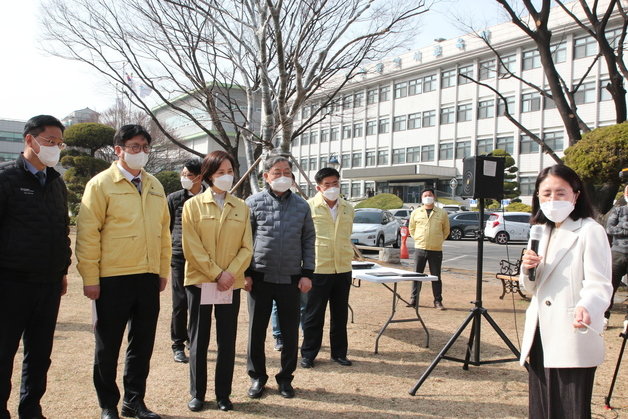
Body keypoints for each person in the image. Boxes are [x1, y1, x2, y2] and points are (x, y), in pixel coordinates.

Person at [76, 124, 171, 419]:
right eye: (133, 146)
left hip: (147, 276)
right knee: (108, 347)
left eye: (144, 147)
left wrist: (162, 270)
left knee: (142, 344)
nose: (140, 152)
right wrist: (91, 279)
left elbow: (164, 232)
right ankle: (108, 405)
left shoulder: (155, 185)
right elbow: (88, 234)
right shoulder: (101, 184)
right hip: (112, 278)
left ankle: (134, 400)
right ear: (118, 150)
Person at [520, 164, 612, 419]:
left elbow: (600, 282)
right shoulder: (540, 231)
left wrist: (588, 306)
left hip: (572, 331)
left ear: (576, 194)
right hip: (540, 333)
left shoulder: (589, 230)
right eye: (546, 193)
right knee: (541, 408)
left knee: (568, 409)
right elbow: (529, 288)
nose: (552, 199)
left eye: (560, 193)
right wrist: (528, 270)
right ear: (537, 196)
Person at [0, 115, 72, 419]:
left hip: (49, 282)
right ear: (29, 140)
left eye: (59, 142)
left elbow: (61, 230)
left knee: (40, 354)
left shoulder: (56, 183)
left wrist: (63, 269)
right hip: (11, 282)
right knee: (4, 352)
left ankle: (31, 408)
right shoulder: (6, 179)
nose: (55, 147)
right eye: (49, 141)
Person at [181, 151, 252, 413]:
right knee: (199, 340)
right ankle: (197, 393)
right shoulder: (193, 205)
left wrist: (230, 273)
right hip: (201, 281)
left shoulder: (242, 207)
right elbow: (191, 246)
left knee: (227, 339)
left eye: (230, 171)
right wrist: (216, 273)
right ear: (209, 175)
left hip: (230, 284)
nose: (226, 176)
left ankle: (224, 394)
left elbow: (247, 247)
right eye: (220, 172)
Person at [245, 155, 314, 400]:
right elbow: (244, 241)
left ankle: (285, 378)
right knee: (256, 331)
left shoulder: (302, 206)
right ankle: (257, 378)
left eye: (286, 171)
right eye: (276, 172)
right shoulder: (252, 203)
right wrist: (246, 273)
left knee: (290, 332)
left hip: (291, 279)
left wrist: (307, 273)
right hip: (259, 277)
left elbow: (308, 241)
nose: (282, 176)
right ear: (266, 176)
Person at [300, 168, 355, 369]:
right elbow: (303, 239)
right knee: (314, 314)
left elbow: (347, 234)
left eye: (336, 183)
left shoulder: (348, 208)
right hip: (318, 268)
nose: (332, 188)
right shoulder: (308, 207)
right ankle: (308, 353)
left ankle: (339, 353)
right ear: (318, 187)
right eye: (327, 185)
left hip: (342, 268)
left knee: (340, 315)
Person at [167, 158, 204, 364]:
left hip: (203, 259)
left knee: (198, 303)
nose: (185, 178)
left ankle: (194, 339)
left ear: (200, 177)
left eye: (188, 175)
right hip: (179, 257)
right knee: (180, 302)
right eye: (183, 174)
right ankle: (178, 343)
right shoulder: (174, 198)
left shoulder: (210, 197)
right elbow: (167, 227)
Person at [407, 188, 450, 309]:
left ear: (434, 197)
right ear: (421, 198)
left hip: (435, 249)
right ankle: (413, 299)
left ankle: (437, 301)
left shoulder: (442, 213)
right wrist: (419, 239)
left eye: (430, 195)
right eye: (425, 195)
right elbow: (412, 229)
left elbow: (446, 230)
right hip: (420, 248)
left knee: (436, 276)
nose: (427, 197)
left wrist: (438, 240)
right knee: (416, 275)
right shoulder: (416, 212)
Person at [604, 184, 627, 326]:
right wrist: (625, 229)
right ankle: (604, 316)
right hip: (617, 253)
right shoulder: (618, 210)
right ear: (624, 195)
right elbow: (609, 228)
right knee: (610, 285)